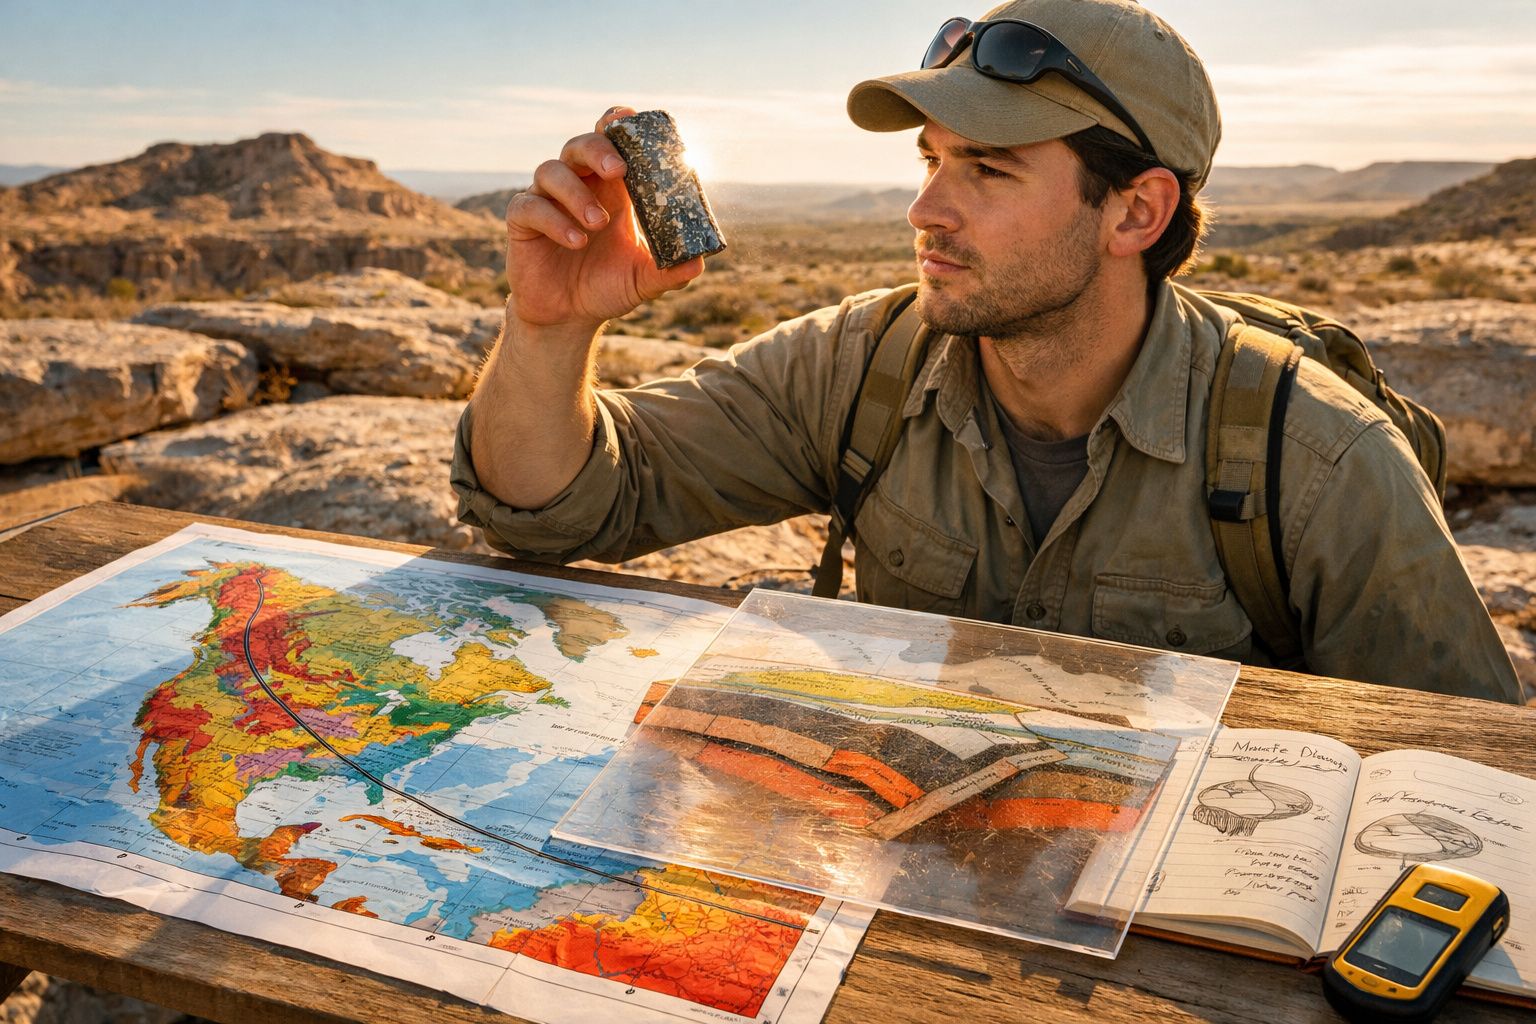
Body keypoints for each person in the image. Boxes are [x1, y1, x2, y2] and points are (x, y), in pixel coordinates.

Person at [450, 0, 1522, 704]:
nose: (925, 208)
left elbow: (1461, 788)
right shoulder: (862, 366)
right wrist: (551, 326)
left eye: (990, 170)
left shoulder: (1320, 461)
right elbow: (561, 505)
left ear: (1136, 212)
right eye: (931, 159)